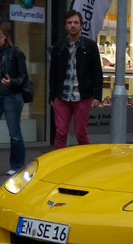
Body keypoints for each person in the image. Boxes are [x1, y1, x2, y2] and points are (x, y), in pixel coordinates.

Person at [49, 10, 103, 150]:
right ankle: (60, 163)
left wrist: (97, 95)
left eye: (75, 22)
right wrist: (52, 96)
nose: (72, 25)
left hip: (82, 96)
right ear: (65, 26)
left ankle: (85, 164)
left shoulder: (90, 46)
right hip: (62, 97)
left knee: (81, 133)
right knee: (60, 133)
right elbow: (53, 73)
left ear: (81, 25)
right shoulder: (59, 47)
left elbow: (98, 71)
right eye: (69, 23)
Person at [0, 24, 29, 176]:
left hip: (12, 95)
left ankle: (17, 165)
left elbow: (24, 77)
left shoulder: (15, 52)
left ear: (5, 37)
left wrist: (12, 82)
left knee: (14, 133)